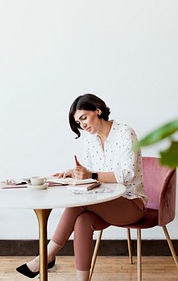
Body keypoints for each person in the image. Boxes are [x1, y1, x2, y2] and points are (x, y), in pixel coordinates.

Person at [16, 93, 148, 281]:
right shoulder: (90, 139)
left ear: (98, 110)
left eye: (84, 118)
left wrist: (90, 175)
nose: (82, 125)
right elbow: (87, 171)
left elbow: (127, 175)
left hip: (131, 203)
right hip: (104, 202)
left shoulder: (125, 132)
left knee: (78, 203)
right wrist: (73, 172)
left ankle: (46, 256)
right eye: (79, 122)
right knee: (82, 221)